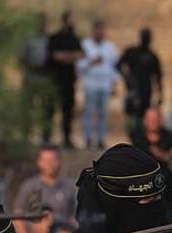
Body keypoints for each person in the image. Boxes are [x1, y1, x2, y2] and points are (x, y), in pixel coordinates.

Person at [11, 144, 77, 228]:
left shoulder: (70, 187)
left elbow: (77, 217)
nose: (50, 164)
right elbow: (18, 214)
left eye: (53, 160)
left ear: (60, 161)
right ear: (39, 162)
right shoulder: (29, 186)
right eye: (46, 161)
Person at [77, 20, 120, 149]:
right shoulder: (85, 46)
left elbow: (114, 68)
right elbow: (79, 66)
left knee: (103, 113)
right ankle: (88, 139)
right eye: (97, 31)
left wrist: (114, 84)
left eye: (101, 31)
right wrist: (92, 62)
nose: (99, 34)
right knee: (89, 112)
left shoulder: (110, 47)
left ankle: (101, 139)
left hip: (105, 85)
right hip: (90, 84)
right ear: (93, 31)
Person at [46, 11, 84, 149]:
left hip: (69, 80)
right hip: (55, 79)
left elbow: (81, 54)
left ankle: (67, 138)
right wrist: (69, 56)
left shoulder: (75, 38)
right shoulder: (55, 38)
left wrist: (65, 56)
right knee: (50, 109)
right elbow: (53, 56)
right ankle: (47, 137)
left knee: (68, 110)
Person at [117, 27, 163, 134]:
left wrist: (160, 93)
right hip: (133, 90)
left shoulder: (152, 56)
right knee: (132, 117)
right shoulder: (132, 52)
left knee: (144, 117)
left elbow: (158, 76)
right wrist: (127, 78)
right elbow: (119, 65)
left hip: (146, 90)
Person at [20, 12, 52, 143]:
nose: (41, 25)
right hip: (31, 78)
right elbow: (21, 58)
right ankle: (26, 135)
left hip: (45, 79)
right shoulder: (28, 39)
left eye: (43, 23)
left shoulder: (49, 40)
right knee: (28, 108)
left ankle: (45, 137)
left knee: (46, 109)